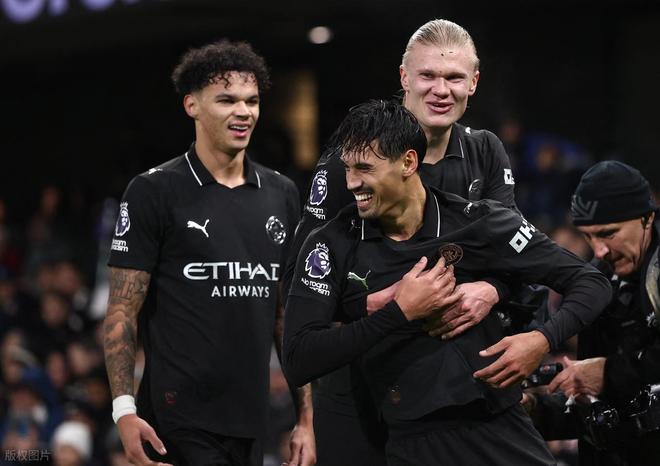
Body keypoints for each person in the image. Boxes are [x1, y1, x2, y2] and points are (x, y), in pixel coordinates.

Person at [282, 99, 612, 465]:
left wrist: (541, 339)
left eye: (364, 168)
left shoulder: (479, 223)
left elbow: (590, 282)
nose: (351, 182)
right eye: (347, 168)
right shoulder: (331, 243)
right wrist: (399, 311)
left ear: (408, 163)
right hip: (405, 435)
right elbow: (299, 358)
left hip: (497, 425)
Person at [282, 19, 519, 465]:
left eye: (454, 78)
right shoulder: (349, 163)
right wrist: (372, 305)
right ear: (404, 78)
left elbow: (513, 256)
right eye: (428, 75)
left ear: (474, 82)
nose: (441, 90)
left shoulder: (485, 151)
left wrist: (493, 289)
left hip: (453, 387)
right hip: (359, 389)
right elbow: (300, 279)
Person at [103, 40, 315, 466]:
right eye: (227, 100)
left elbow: (285, 316)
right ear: (192, 106)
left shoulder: (282, 193)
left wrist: (306, 418)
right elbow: (122, 311)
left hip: (251, 419)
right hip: (176, 419)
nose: (244, 111)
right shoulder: (153, 191)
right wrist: (124, 411)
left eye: (252, 100)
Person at [527, 161, 660, 465]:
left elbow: (619, 380)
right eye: (588, 236)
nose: (599, 250)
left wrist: (608, 373)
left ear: (647, 217)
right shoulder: (597, 284)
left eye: (608, 233)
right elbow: (603, 416)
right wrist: (537, 411)